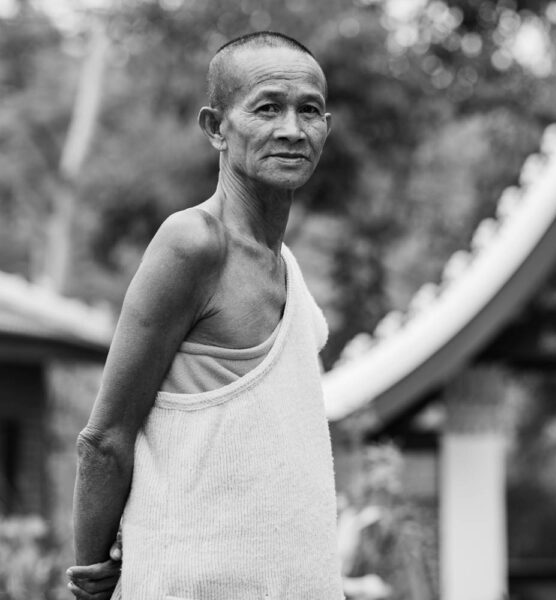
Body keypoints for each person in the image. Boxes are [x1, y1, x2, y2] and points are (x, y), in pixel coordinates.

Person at [66, 31, 343, 599]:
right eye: (268, 107)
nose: (292, 129)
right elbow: (105, 438)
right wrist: (92, 574)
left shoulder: (288, 269)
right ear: (216, 127)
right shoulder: (193, 243)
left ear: (326, 128)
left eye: (308, 111)